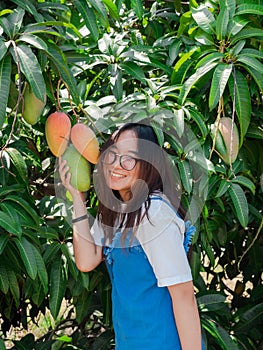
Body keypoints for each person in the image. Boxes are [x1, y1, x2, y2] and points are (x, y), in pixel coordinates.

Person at [59, 122, 204, 350]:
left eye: (129, 158)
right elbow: (87, 261)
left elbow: (184, 297)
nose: (116, 165)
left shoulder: (154, 214)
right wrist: (78, 198)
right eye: (112, 154)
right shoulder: (119, 210)